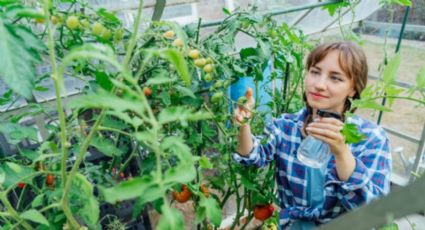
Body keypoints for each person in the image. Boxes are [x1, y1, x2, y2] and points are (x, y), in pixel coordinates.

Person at [233, 41, 391, 229]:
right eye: (315, 72)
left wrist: (341, 153)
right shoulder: (285, 126)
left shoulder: (370, 138)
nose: (319, 85)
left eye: (335, 78)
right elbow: (252, 157)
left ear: (353, 88)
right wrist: (243, 126)